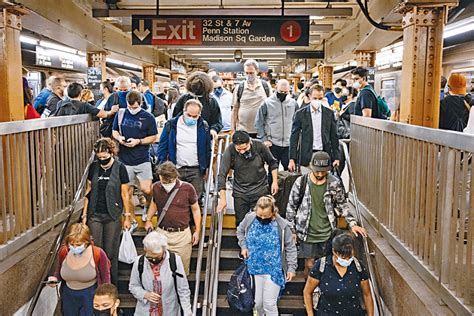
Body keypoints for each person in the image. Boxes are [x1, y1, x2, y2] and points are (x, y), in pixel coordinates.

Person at [286, 151, 366, 278]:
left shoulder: (334, 183)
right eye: (317, 171)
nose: (319, 174)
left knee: (326, 266)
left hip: (327, 231)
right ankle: (310, 290)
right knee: (309, 264)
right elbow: (291, 207)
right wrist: (292, 230)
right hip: (306, 232)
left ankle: (322, 292)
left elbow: (342, 205)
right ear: (311, 167)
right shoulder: (301, 182)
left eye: (323, 171)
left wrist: (352, 223)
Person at [82, 138, 132, 285]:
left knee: (110, 252)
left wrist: (127, 216)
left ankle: (111, 285)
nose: (102, 159)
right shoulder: (94, 167)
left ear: (111, 152)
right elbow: (88, 191)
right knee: (96, 251)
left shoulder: (120, 168)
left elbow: (125, 194)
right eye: (100, 157)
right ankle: (97, 284)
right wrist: (85, 214)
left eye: (105, 156)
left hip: (113, 214)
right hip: (94, 214)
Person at [236, 195, 297, 316]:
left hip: (274, 269)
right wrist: (243, 246)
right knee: (258, 304)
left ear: (273, 213)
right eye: (260, 216)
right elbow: (240, 230)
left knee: (269, 304)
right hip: (254, 268)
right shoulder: (250, 218)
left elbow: (290, 247)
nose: (262, 218)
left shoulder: (282, 225)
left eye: (266, 216)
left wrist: (291, 268)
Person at [144, 162, 201, 275]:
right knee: (160, 270)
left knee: (182, 270)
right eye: (163, 181)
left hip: (182, 234)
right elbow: (154, 204)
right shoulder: (156, 187)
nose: (165, 183)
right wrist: (149, 219)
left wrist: (197, 231)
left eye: (168, 181)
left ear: (175, 177)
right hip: (162, 232)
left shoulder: (187, 188)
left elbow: (195, 209)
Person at [112, 90, 158, 231]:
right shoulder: (120, 114)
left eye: (135, 107)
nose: (132, 110)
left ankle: (148, 207)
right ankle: (131, 219)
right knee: (127, 192)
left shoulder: (148, 117)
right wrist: (119, 139)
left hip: (142, 158)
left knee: (146, 188)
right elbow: (115, 131)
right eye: (130, 107)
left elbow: (154, 137)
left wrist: (139, 141)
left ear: (141, 104)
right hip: (124, 159)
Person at [217, 130, 279, 225]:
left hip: (260, 190)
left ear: (249, 142)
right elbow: (222, 174)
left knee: (262, 221)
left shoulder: (259, 146)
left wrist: (274, 182)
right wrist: (223, 199)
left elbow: (273, 163)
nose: (242, 152)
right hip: (240, 193)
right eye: (239, 150)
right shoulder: (230, 150)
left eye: (245, 149)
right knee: (241, 223)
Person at [303, 233, 374, 316]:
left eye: (349, 256)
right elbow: (307, 292)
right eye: (343, 257)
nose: (347, 260)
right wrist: (310, 314)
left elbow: (367, 294)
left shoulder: (358, 267)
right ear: (334, 252)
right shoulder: (321, 266)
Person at [48, 223, 111, 315]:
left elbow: (106, 277)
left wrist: (105, 298)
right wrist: (54, 279)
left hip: (90, 294)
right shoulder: (64, 252)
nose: (74, 247)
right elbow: (59, 270)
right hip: (68, 295)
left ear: (86, 242)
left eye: (78, 244)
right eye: (71, 244)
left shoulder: (98, 253)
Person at [158, 99, 212, 203]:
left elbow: (207, 149)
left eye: (195, 116)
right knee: (175, 201)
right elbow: (162, 147)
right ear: (183, 111)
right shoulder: (171, 125)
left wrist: (206, 167)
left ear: (199, 114)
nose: (191, 118)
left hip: (196, 170)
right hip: (176, 169)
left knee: (195, 201)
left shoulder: (203, 126)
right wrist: (163, 166)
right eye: (189, 115)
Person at [129, 231, 192, 316]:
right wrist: (145, 294)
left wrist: (187, 312)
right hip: (145, 311)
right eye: (150, 257)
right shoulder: (139, 262)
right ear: (145, 250)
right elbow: (133, 286)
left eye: (157, 257)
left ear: (164, 249)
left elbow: (183, 289)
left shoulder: (174, 261)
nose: (154, 260)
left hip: (170, 311)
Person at [288, 84, 340, 173]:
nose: (317, 101)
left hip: (324, 155)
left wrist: (336, 157)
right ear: (309, 97)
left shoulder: (329, 113)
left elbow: (334, 136)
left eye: (320, 98)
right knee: (306, 182)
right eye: (315, 98)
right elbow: (294, 137)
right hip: (306, 155)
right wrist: (292, 159)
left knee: (323, 183)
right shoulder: (300, 114)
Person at [256, 79, 298, 172]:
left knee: (290, 172)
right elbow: (259, 123)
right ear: (276, 88)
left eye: (285, 92)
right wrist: (264, 139)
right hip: (272, 144)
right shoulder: (266, 103)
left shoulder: (293, 103)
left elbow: (298, 123)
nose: (283, 93)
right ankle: (271, 186)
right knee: (272, 171)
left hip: (289, 144)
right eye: (281, 91)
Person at [172, 71, 223, 139]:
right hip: (184, 136)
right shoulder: (183, 99)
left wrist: (213, 130)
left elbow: (217, 121)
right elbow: (175, 118)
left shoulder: (211, 101)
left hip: (204, 137)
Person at [231, 59, 271, 138]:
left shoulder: (265, 86)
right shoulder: (239, 88)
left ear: (257, 71)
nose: (249, 75)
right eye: (247, 73)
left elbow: (271, 107)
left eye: (251, 73)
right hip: (243, 130)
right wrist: (232, 129)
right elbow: (235, 109)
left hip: (261, 130)